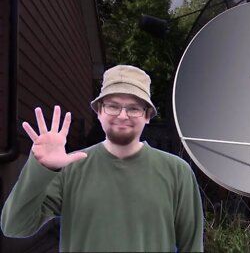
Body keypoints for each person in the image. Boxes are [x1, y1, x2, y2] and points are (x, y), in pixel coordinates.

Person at [1, 65, 204, 252]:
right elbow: (15, 227)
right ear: (99, 111)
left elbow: (192, 246)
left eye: (133, 108)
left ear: (147, 115)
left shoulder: (177, 171)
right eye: (113, 106)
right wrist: (40, 168)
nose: (123, 115)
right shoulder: (71, 168)